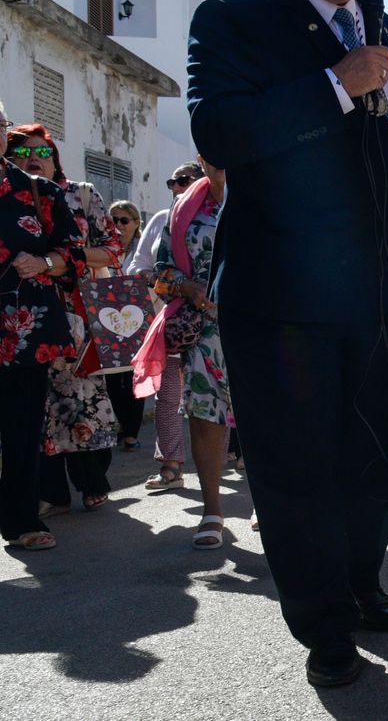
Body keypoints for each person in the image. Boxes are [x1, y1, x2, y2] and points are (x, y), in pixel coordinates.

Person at [187, 0, 388, 687]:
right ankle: (323, 628)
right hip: (283, 301)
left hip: (379, 293)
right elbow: (221, 130)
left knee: (370, 458)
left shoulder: (384, 29)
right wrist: (335, 85)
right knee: (298, 468)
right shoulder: (235, 22)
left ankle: (362, 581)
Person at [7, 125, 121, 517]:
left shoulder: (81, 193)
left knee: (81, 398)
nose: (32, 158)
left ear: (56, 157)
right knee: (41, 407)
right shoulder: (12, 195)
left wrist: (63, 261)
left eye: (42, 151)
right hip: (26, 316)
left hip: (78, 310)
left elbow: (112, 248)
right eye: (22, 153)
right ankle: (51, 492)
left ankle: (92, 481)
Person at [134, 160, 234, 548]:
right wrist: (190, 287)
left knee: (266, 418)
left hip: (263, 326)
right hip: (206, 328)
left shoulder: (267, 192)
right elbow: (161, 272)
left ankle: (266, 502)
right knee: (205, 417)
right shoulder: (184, 208)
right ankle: (212, 510)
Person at [0, 102, 85, 551]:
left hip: (23, 329)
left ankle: (20, 520)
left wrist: (46, 262)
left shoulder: (38, 193)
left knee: (20, 428)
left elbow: (74, 250)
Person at [105, 199, 147, 452]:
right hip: (108, 317)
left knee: (133, 377)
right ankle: (123, 424)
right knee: (112, 377)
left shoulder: (141, 249)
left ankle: (131, 432)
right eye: (114, 220)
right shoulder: (103, 248)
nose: (118, 225)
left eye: (124, 220)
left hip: (137, 317)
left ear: (135, 223)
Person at [127, 162, 204, 276]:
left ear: (201, 183)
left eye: (183, 181)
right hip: (163, 292)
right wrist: (157, 281)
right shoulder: (161, 218)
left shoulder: (214, 219)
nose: (175, 188)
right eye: (172, 183)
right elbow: (137, 265)